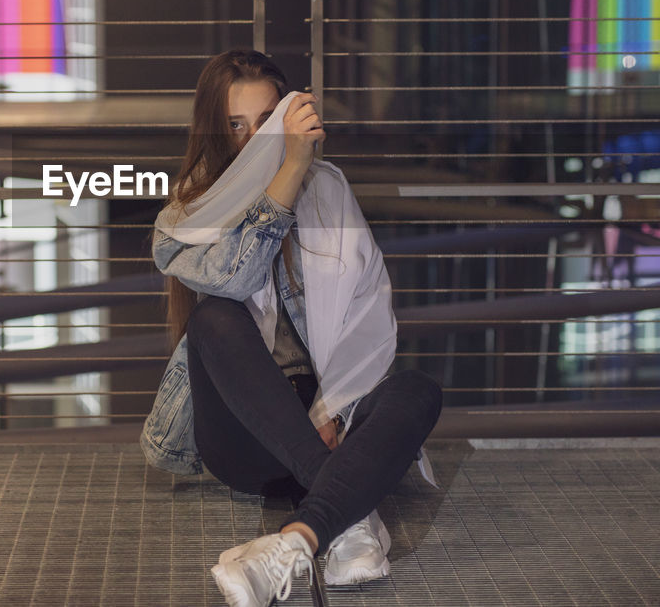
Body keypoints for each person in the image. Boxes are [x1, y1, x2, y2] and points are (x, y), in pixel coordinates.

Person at [140, 49, 444, 607]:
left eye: (266, 121)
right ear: (214, 129)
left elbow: (370, 312)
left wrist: (332, 409)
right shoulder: (187, 212)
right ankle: (349, 511)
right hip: (248, 434)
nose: (253, 138)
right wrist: (288, 170)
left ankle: (301, 537)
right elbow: (235, 278)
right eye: (236, 125)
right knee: (215, 318)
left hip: (334, 418)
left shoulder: (328, 190)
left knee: (418, 391)